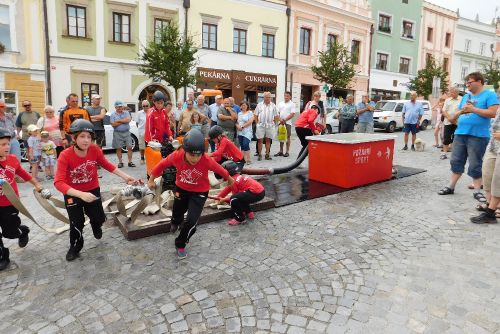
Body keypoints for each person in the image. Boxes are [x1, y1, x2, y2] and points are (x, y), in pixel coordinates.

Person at [54, 120, 139, 261]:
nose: (86, 140)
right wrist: (81, 194)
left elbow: (107, 165)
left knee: (99, 218)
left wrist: (126, 177)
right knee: (76, 222)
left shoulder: (94, 150)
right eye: (82, 136)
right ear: (74, 138)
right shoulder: (65, 155)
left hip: (92, 189)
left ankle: (96, 224)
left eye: (89, 136)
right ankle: (75, 246)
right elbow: (58, 183)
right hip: (73, 193)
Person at [148, 129, 234, 259]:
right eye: (192, 155)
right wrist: (151, 179)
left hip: (199, 192)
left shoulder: (206, 159)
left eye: (198, 155)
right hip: (181, 188)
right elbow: (161, 165)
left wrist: (230, 179)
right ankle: (175, 222)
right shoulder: (177, 155)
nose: (195, 158)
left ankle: (181, 243)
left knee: (192, 221)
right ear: (185, 150)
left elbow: (220, 169)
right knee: (178, 211)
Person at [438, 72, 499, 199]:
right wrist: (457, 114)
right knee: (456, 160)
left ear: (480, 82)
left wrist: (473, 110)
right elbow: (462, 110)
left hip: (478, 135)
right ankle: (451, 186)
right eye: (467, 83)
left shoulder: (490, 94)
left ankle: (477, 190)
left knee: (475, 163)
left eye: (470, 82)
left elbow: (494, 113)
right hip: (461, 132)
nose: (467, 85)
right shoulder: (466, 96)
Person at [0, 129, 42, 271]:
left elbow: (23, 174)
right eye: (2, 144)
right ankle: (2, 256)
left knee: (9, 232)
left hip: (10, 203)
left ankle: (22, 231)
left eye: (7, 144)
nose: (7, 147)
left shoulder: (12, 160)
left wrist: (36, 183)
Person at [470, 108, 500, 224]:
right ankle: (489, 204)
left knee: (498, 180)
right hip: (493, 145)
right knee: (487, 176)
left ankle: (490, 213)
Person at [216, 160, 265, 226]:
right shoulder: (237, 177)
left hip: (254, 192)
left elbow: (234, 196)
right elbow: (227, 189)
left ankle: (239, 219)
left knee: (234, 200)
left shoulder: (233, 181)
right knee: (242, 197)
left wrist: (224, 199)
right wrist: (218, 197)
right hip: (261, 192)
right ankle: (249, 213)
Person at [254, 92, 279, 160]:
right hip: (261, 125)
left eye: (269, 97)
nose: (268, 98)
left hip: (270, 125)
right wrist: (257, 123)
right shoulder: (259, 105)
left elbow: (276, 115)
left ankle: (267, 154)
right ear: (264, 97)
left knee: (268, 140)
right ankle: (259, 154)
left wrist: (275, 122)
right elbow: (255, 114)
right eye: (266, 97)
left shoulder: (273, 105)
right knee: (260, 140)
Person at [110, 101, 135, 168]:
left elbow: (128, 120)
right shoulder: (112, 114)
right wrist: (123, 121)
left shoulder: (126, 112)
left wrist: (118, 121)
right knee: (118, 148)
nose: (120, 108)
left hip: (127, 132)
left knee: (130, 147)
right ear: (115, 107)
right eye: (118, 107)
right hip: (117, 133)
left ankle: (130, 162)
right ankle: (120, 162)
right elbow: (113, 124)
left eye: (121, 106)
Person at [441, 88, 461, 160]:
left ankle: (455, 154)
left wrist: (454, 119)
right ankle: (444, 153)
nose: (451, 94)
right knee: (446, 138)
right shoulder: (447, 100)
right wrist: (450, 118)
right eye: (450, 93)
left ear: (457, 93)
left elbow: (462, 110)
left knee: (456, 138)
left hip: (458, 122)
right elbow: (444, 110)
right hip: (448, 122)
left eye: (452, 93)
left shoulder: (461, 100)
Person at [275, 91, 296, 157]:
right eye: (285, 95)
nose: (286, 97)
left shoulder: (292, 104)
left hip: (288, 123)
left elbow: (292, 114)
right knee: (281, 136)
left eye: (287, 96)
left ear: (290, 97)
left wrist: (285, 120)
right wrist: (280, 120)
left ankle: (287, 151)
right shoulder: (280, 103)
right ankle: (281, 151)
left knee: (288, 137)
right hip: (280, 122)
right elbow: (277, 112)